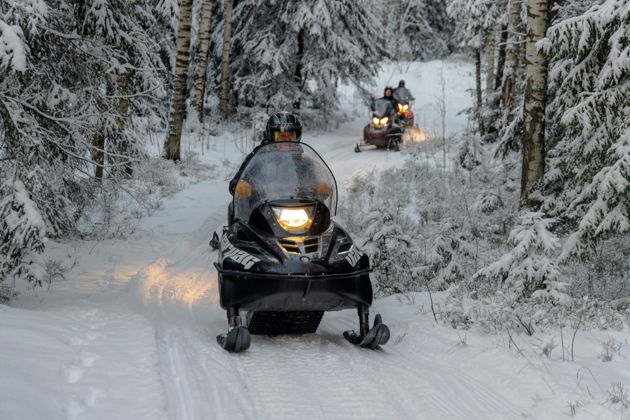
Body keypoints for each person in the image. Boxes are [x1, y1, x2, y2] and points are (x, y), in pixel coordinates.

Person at [227, 112, 303, 223]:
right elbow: (239, 178)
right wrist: (240, 184)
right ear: (271, 136)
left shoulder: (302, 160)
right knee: (242, 224)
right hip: (262, 209)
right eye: (281, 135)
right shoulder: (258, 158)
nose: (286, 139)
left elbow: (312, 178)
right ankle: (239, 232)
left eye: (291, 135)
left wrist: (320, 186)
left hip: (297, 209)